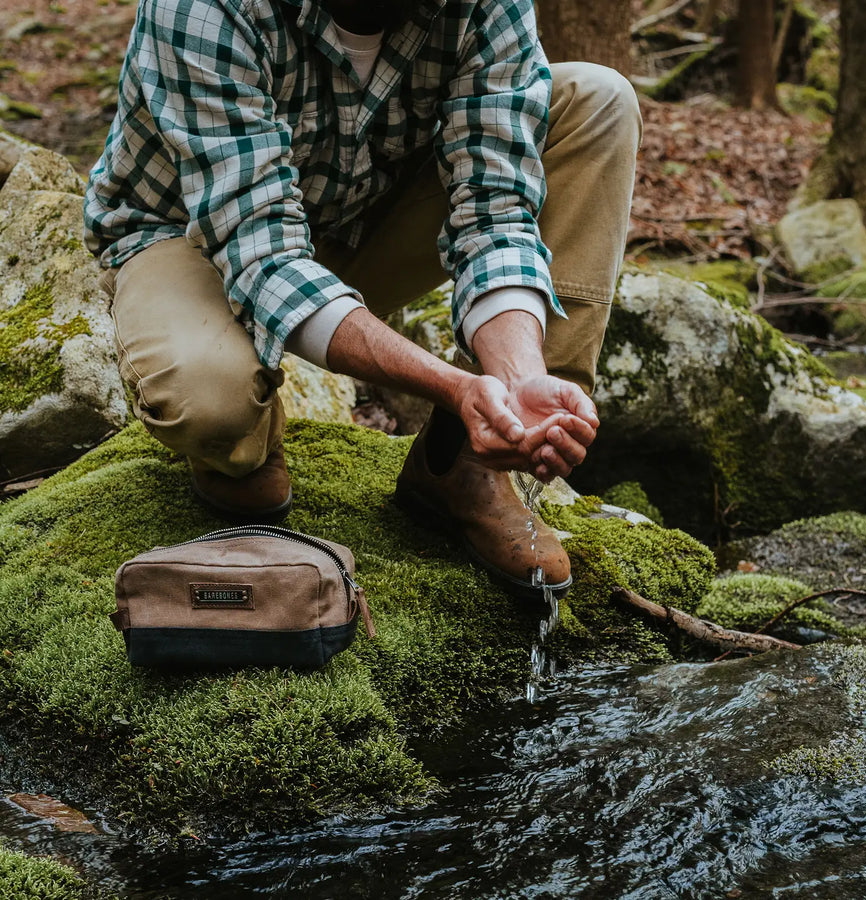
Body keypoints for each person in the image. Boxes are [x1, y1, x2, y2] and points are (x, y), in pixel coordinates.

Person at [83, 0, 641, 600]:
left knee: (598, 100)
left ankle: (473, 464)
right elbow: (263, 255)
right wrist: (450, 385)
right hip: (195, 235)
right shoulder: (199, 7)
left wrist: (517, 379)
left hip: (362, 216)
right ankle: (243, 441)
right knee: (213, 407)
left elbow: (494, 213)